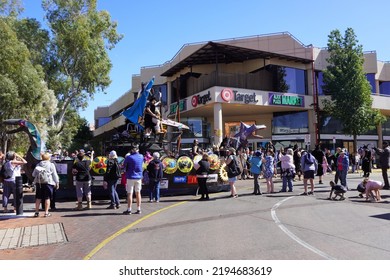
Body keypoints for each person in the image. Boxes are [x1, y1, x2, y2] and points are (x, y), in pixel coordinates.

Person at [32, 153, 59, 217]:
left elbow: (33, 174)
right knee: (47, 198)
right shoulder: (51, 164)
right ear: (49, 158)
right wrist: (57, 182)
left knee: (38, 197)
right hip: (48, 183)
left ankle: (36, 212)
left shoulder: (38, 164)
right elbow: (54, 174)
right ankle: (46, 212)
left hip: (39, 183)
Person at [123, 144, 144, 214]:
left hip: (130, 177)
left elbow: (124, 166)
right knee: (138, 193)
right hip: (138, 177)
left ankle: (129, 209)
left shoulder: (129, 157)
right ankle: (139, 209)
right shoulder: (141, 156)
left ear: (132, 150)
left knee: (130, 193)